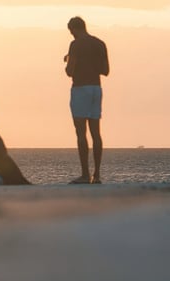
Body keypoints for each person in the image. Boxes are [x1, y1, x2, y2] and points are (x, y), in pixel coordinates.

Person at [65, 16, 109, 184]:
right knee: (96, 132)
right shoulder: (100, 43)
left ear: (74, 29)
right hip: (96, 89)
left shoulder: (75, 45)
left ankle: (85, 174)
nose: (71, 35)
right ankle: (96, 175)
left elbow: (70, 71)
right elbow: (105, 70)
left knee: (81, 132)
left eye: (71, 32)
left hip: (80, 88)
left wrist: (68, 59)